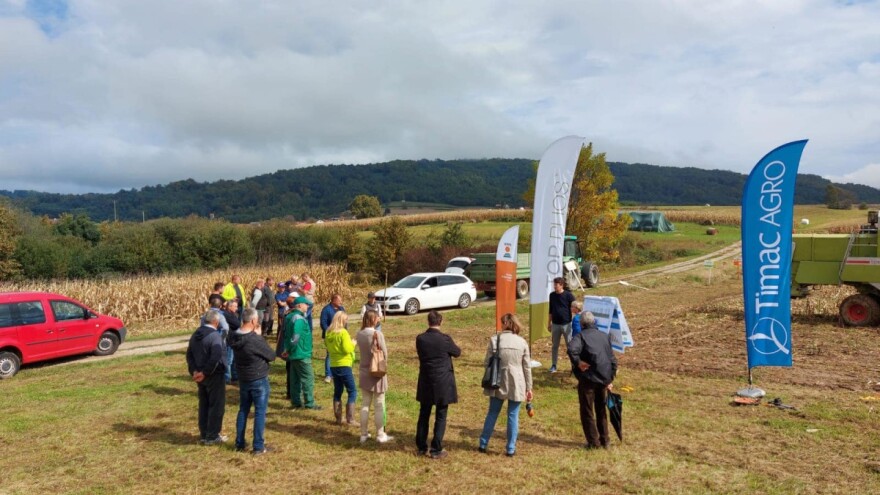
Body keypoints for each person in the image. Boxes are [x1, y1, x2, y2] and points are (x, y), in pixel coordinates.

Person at [478, 313, 533, 457]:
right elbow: (527, 367)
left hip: (497, 380)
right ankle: (510, 448)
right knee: (513, 416)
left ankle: (483, 443)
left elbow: (486, 363)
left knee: (492, 412)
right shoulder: (522, 342)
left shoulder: (494, 340)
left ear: (504, 324)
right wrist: (529, 387)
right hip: (517, 381)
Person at [228, 308, 276, 455]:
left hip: (244, 378)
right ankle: (258, 446)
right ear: (254, 321)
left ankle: (240, 443)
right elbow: (271, 355)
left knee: (243, 409)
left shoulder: (234, 336)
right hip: (258, 378)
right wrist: (260, 336)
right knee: (260, 412)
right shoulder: (254, 339)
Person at [567, 310, 617, 450]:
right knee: (601, 410)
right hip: (602, 379)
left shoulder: (581, 337)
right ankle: (605, 440)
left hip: (588, 379)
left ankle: (594, 442)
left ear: (582, 324)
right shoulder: (604, 336)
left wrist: (578, 362)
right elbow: (612, 359)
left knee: (587, 411)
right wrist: (609, 378)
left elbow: (571, 349)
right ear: (594, 322)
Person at [415, 310, 461, 459]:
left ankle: (422, 446)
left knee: (424, 413)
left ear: (428, 321)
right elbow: (457, 352)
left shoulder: (420, 339)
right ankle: (436, 448)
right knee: (441, 415)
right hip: (442, 382)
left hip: (426, 380)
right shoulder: (445, 339)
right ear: (440, 322)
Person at [186, 310, 227, 445]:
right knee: (216, 405)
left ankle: (204, 434)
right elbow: (215, 357)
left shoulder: (195, 334)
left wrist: (194, 371)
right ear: (216, 321)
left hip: (200, 376)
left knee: (203, 404)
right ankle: (212, 435)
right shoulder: (215, 336)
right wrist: (205, 372)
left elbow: (189, 355)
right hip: (213, 375)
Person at [356, 310, 392, 443]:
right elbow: (385, 354)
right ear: (373, 319)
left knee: (365, 404)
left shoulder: (359, 334)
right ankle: (380, 434)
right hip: (377, 371)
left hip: (364, 371)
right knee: (379, 404)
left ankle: (363, 434)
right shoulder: (378, 334)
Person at [282, 296, 322, 410]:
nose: (308, 306)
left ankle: (296, 402)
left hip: (293, 354)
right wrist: (290, 348)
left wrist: (287, 349)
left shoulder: (289, 316)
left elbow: (286, 335)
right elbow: (295, 336)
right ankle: (309, 403)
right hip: (301, 353)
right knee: (308, 378)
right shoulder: (299, 319)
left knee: (295, 379)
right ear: (299, 305)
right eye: (306, 304)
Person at [325, 311, 358, 426]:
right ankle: (350, 418)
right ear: (341, 320)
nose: (347, 322)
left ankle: (338, 418)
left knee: (338, 391)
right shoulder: (343, 333)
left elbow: (328, 348)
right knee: (352, 391)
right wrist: (353, 343)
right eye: (346, 320)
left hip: (334, 364)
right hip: (344, 364)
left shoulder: (328, 332)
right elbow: (347, 349)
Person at [548, 277, 575, 373]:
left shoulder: (568, 295)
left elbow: (575, 307)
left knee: (570, 346)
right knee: (555, 346)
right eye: (554, 284)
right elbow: (550, 310)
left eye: (556, 284)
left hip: (567, 325)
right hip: (555, 325)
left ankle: (574, 365)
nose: (554, 286)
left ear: (561, 285)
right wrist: (549, 323)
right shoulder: (552, 295)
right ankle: (554, 365)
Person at [320, 294, 345, 384]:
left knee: (339, 353)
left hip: (340, 336)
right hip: (330, 336)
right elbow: (323, 323)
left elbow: (345, 321)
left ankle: (337, 373)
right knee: (330, 354)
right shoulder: (326, 310)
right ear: (333, 300)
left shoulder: (341, 309)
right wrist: (330, 333)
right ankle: (328, 375)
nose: (341, 302)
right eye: (339, 300)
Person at [223, 300, 241, 384]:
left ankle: (235, 376)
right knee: (229, 360)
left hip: (234, 339)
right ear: (229, 307)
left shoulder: (233, 314)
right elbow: (237, 324)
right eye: (235, 306)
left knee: (234, 359)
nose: (236, 308)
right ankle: (227, 378)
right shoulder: (227, 315)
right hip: (230, 339)